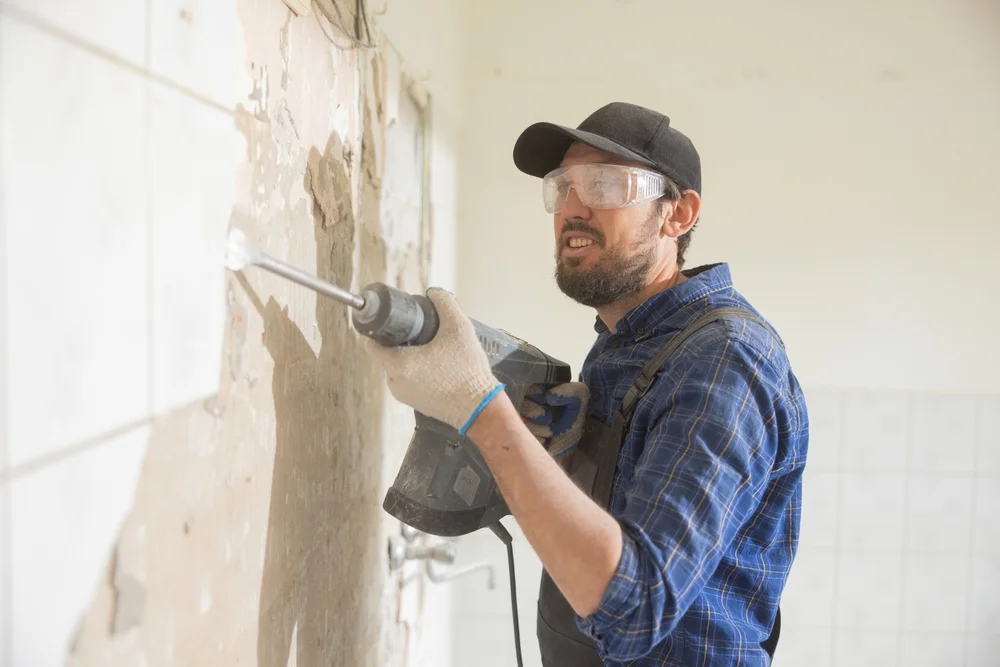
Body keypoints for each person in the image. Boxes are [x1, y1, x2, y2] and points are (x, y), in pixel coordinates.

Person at [365, 102, 809, 666]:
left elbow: (635, 608)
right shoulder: (625, 339)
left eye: (605, 185)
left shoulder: (723, 360)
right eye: (563, 186)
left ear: (678, 215)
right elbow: (623, 521)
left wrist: (481, 407)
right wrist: (565, 462)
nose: (573, 208)